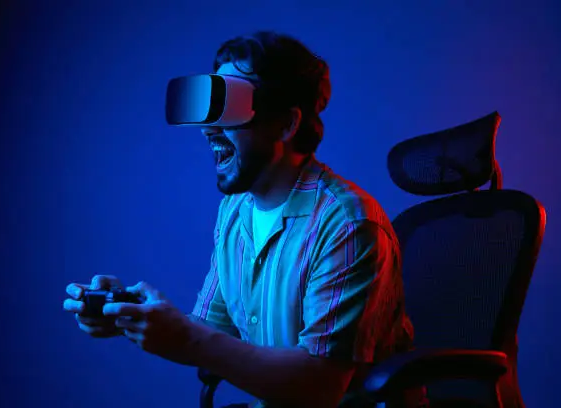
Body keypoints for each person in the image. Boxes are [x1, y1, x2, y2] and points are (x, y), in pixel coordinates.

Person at [63, 31, 422, 408]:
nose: (208, 129)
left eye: (230, 107)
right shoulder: (236, 211)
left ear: (286, 124)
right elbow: (212, 331)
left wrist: (185, 337)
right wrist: (131, 314)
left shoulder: (347, 224)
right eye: (210, 106)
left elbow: (321, 387)